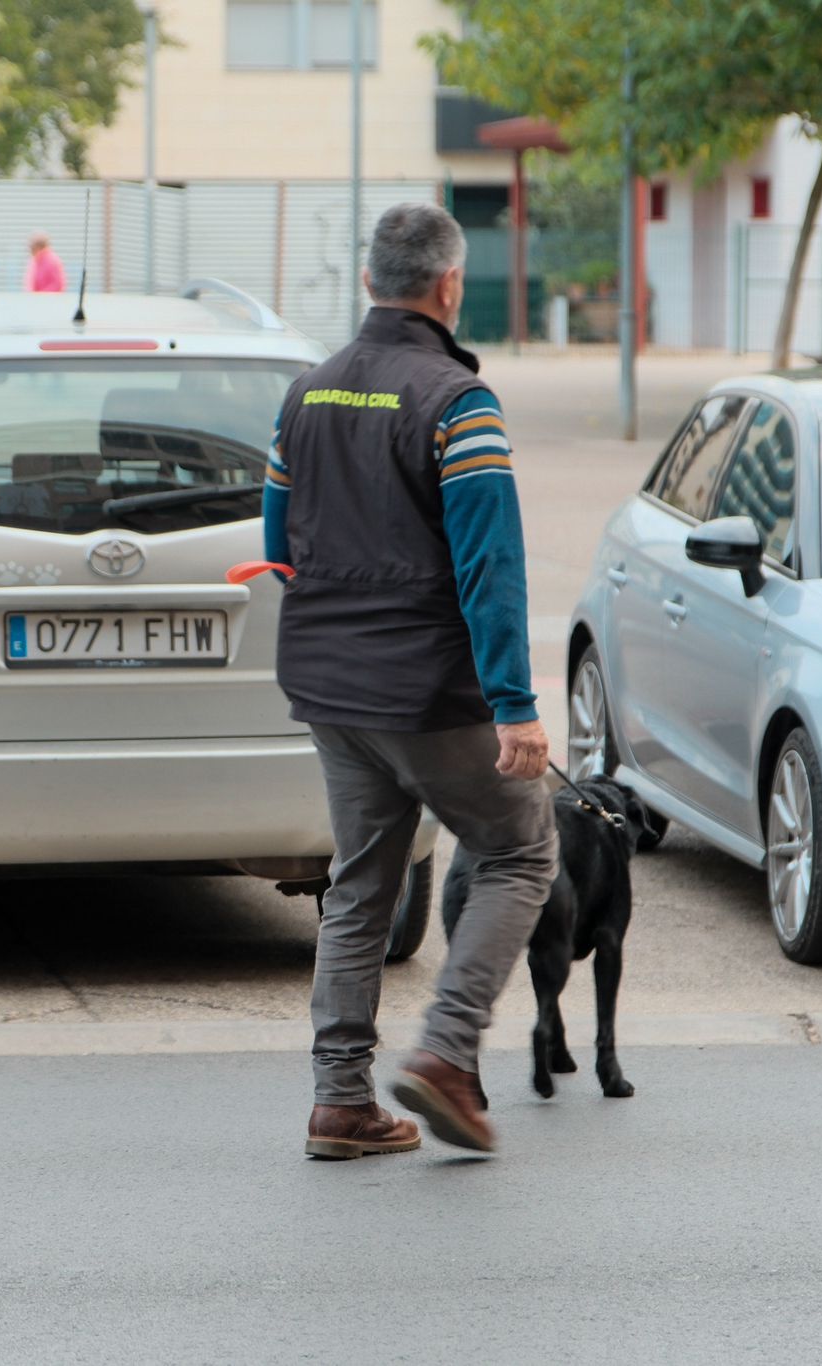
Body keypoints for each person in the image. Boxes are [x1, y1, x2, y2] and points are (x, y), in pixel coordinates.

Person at [264, 202, 556, 1159]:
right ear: (449, 286)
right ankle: (445, 1048)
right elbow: (490, 567)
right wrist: (514, 706)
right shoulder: (457, 402)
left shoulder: (306, 394)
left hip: (328, 687)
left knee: (360, 887)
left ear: (367, 283)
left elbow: (278, 543)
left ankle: (340, 1102)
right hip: (427, 693)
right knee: (520, 850)